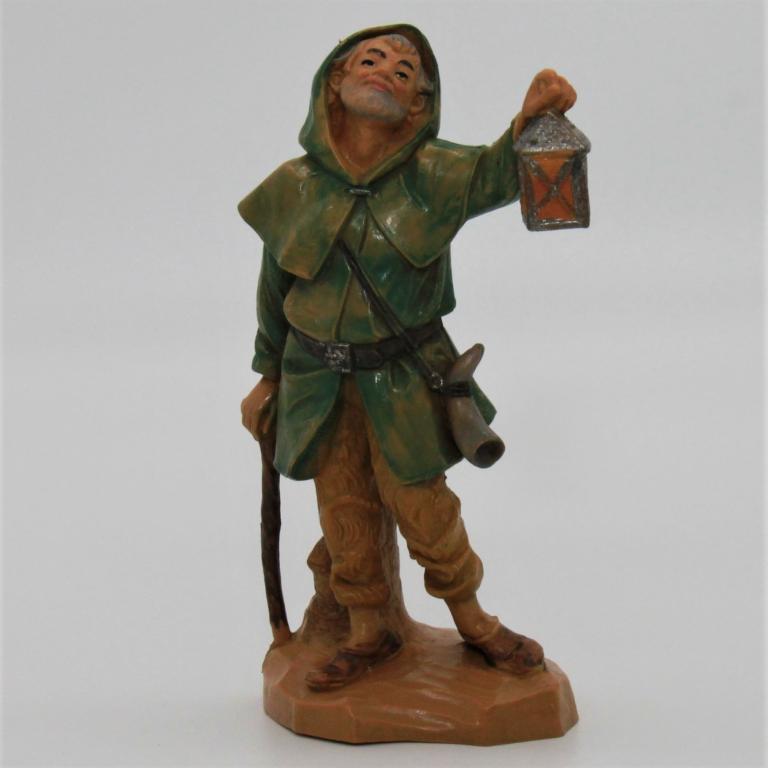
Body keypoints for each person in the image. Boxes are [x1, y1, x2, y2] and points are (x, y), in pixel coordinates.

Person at [239, 24, 576, 691]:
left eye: (404, 70)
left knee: (425, 507)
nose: (386, 70)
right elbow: (274, 287)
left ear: (419, 102)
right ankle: (367, 630)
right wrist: (265, 376)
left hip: (403, 378)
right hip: (317, 378)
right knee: (344, 510)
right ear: (335, 81)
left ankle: (474, 621)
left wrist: (532, 120)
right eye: (371, 59)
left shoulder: (436, 175)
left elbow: (497, 172)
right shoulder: (293, 186)